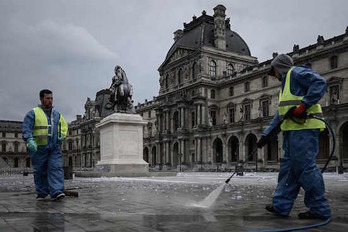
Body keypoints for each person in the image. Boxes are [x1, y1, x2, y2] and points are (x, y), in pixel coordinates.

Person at [257, 54, 331, 219]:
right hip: (292, 132)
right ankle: (281, 205)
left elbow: (319, 82)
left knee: (306, 169)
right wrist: (266, 135)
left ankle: (319, 209)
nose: (273, 75)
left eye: (273, 71)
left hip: (304, 129)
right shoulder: (286, 86)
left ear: (279, 67)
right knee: (288, 170)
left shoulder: (296, 72)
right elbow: (281, 114)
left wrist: (304, 105)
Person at [22, 89, 68, 201]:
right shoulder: (33, 113)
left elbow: (64, 126)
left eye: (51, 98)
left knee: (56, 168)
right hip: (38, 147)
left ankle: (57, 191)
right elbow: (26, 128)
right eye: (48, 98)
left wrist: (62, 135)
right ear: (41, 99)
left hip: (54, 147)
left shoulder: (57, 114)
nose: (50, 101)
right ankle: (42, 193)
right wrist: (29, 139)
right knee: (40, 171)